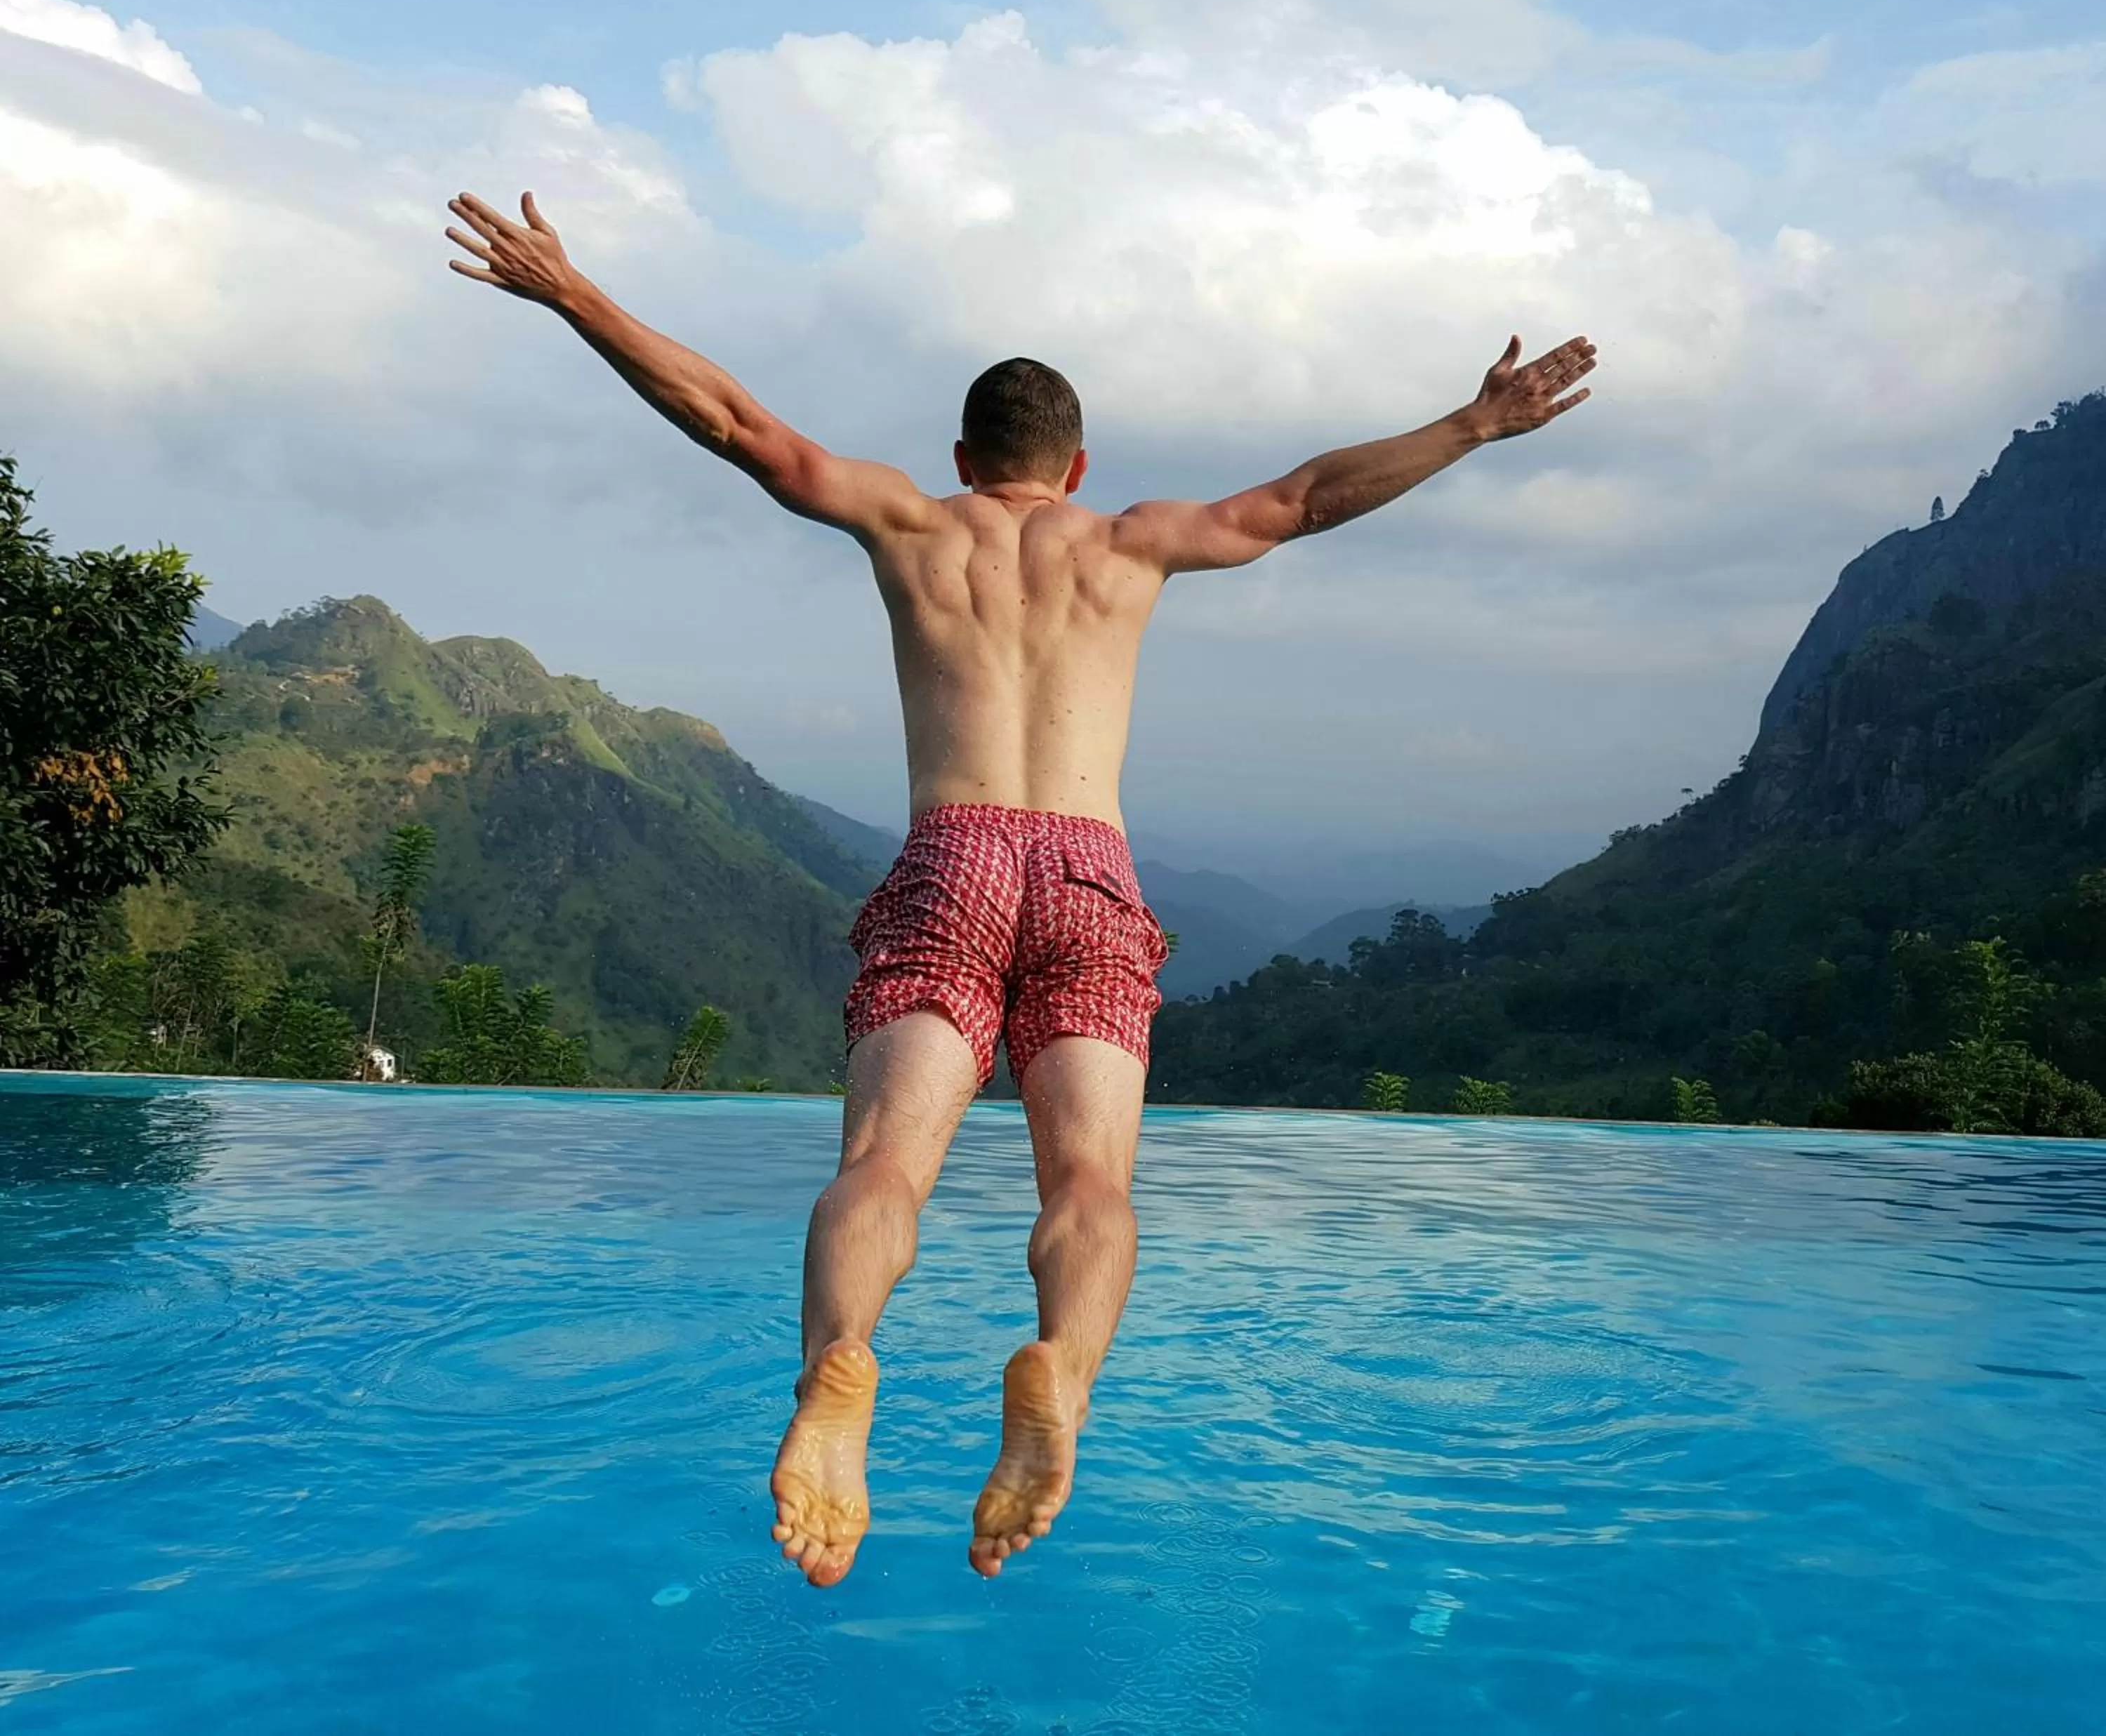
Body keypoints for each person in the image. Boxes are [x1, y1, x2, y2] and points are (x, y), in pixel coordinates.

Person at [444, 190, 1596, 1587]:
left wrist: (574, 294)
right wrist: (1471, 425)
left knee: (884, 1166)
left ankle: (840, 1364)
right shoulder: (1132, 541)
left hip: (955, 853)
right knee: (1090, 1180)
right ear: (1078, 464)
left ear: (962, 459)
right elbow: (1304, 499)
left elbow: (738, 425)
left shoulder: (912, 523)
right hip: (1089, 864)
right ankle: (1062, 1367)